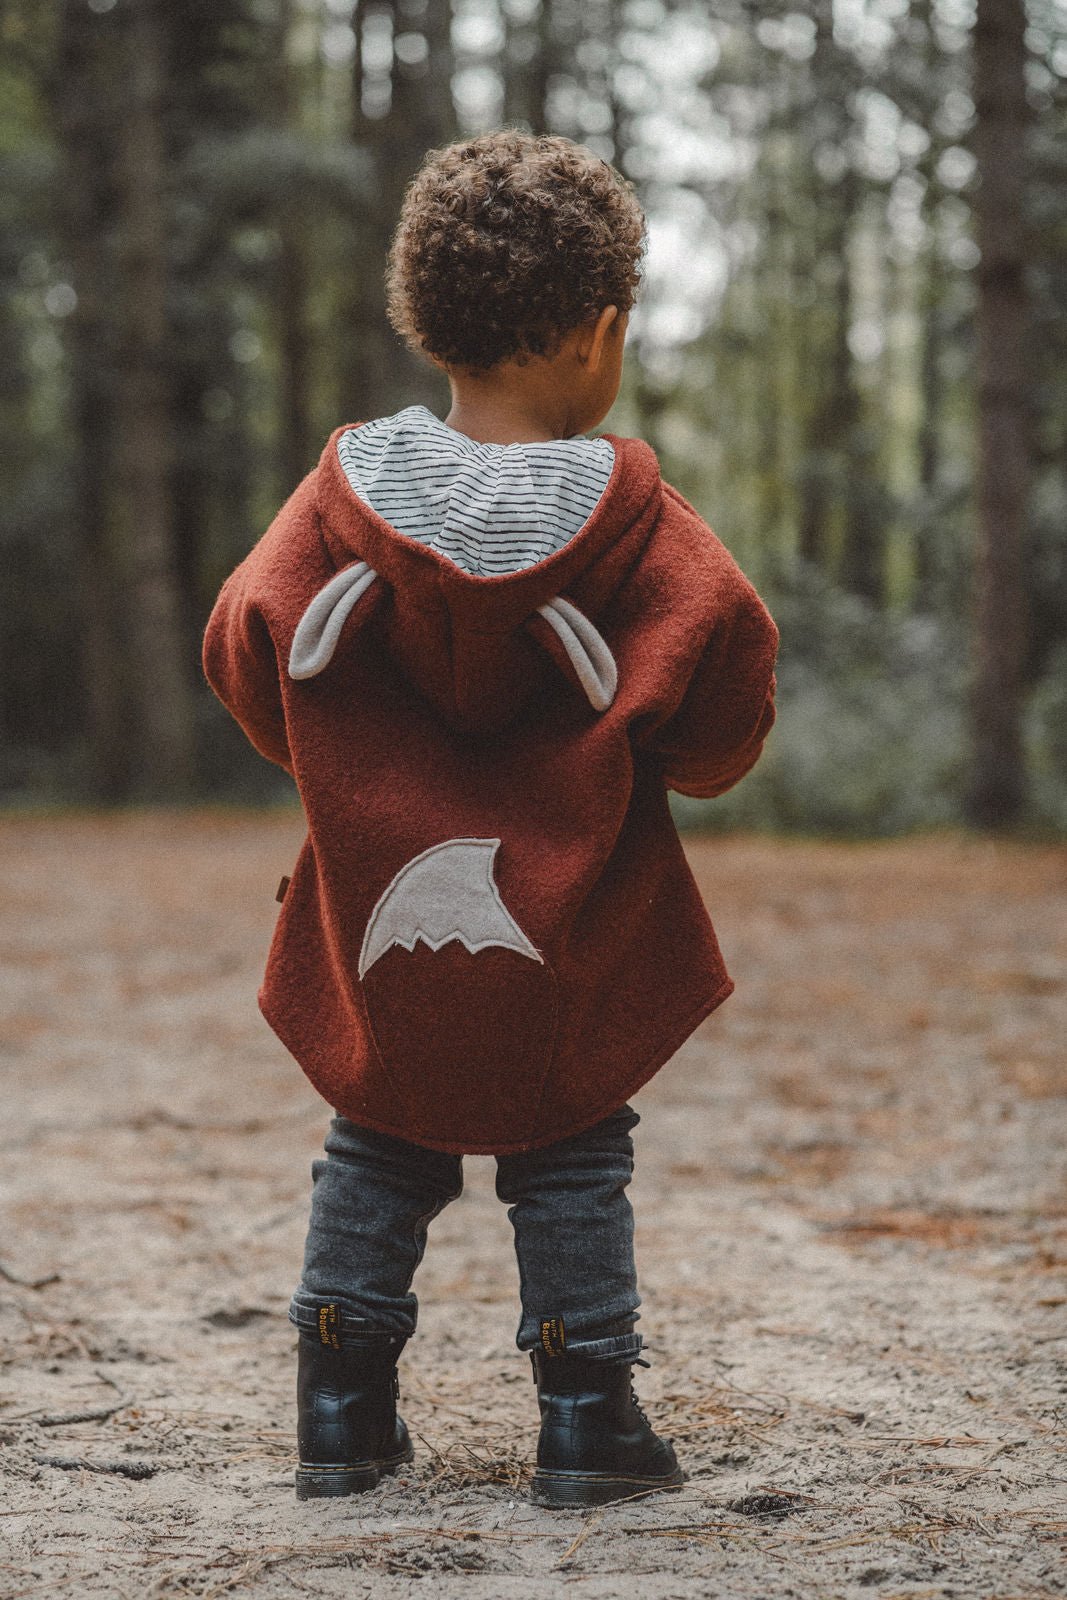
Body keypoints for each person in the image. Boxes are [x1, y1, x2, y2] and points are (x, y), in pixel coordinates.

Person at [202, 129, 778, 1508]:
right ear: (597, 332)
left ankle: (339, 1410)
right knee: (572, 1152)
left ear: (428, 321)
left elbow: (242, 649)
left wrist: (337, 750)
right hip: (568, 943)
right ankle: (588, 1421)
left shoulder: (337, 504)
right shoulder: (646, 532)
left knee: (374, 1137)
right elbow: (720, 725)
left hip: (384, 929)